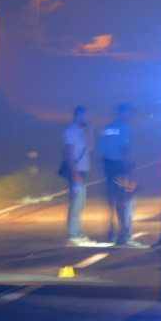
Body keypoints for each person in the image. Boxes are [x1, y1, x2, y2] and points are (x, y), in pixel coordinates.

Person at [99, 103, 145, 247]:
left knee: (113, 202)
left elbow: (102, 149)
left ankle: (112, 233)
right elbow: (125, 148)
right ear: (123, 113)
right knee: (126, 200)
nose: (130, 116)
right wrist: (130, 169)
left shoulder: (108, 129)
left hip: (109, 167)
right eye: (129, 113)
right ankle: (125, 236)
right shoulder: (125, 128)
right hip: (121, 167)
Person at [62, 105, 93, 246]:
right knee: (76, 202)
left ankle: (77, 231)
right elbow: (69, 153)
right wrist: (74, 173)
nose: (86, 118)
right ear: (77, 116)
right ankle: (73, 233)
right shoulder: (71, 131)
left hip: (83, 170)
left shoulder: (83, 131)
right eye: (84, 115)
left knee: (80, 203)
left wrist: (89, 132)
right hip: (76, 170)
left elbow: (91, 147)